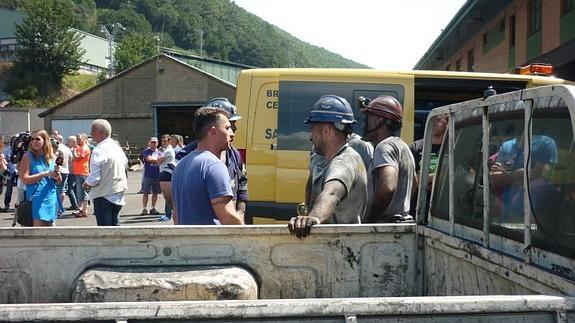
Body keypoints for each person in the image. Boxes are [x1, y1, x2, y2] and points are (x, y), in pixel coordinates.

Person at [289, 95, 368, 238]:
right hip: (329, 245)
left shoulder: (344, 161)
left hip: (343, 246)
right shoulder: (320, 158)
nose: (310, 137)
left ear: (326, 131)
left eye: (312, 129)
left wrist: (312, 218)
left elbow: (332, 193)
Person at [172, 107, 244, 225]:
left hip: (187, 242)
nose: (231, 133)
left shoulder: (180, 165)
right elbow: (228, 218)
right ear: (214, 131)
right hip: (213, 243)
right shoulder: (214, 166)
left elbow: (176, 217)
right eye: (227, 128)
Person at [361, 95, 416, 223]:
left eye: (368, 118)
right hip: (400, 223)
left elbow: (388, 187)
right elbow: (415, 182)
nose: (364, 123)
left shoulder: (384, 146)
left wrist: (370, 220)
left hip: (384, 226)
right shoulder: (403, 146)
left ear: (379, 120)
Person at [205, 97, 248, 222]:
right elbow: (167, 180)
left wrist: (240, 212)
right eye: (229, 125)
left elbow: (243, 184)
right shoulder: (191, 155)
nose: (234, 130)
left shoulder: (234, 154)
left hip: (230, 224)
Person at [83, 119, 128, 226]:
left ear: (100, 132)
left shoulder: (99, 150)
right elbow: (125, 163)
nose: (91, 134)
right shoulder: (116, 147)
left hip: (104, 195)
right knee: (115, 228)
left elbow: (95, 178)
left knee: (105, 231)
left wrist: (87, 183)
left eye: (93, 131)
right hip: (118, 193)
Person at [19, 129, 62, 226]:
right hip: (36, 199)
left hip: (50, 197)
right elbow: (25, 179)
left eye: (37, 139)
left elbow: (58, 182)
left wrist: (57, 176)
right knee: (37, 234)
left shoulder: (51, 157)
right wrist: (44, 174)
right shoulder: (28, 156)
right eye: (32, 139)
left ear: (45, 140)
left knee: (50, 234)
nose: (34, 141)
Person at [409, 113, 448, 215]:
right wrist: (436, 177)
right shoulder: (416, 147)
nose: (434, 122)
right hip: (417, 208)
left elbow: (452, 178)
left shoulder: (452, 147)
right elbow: (411, 179)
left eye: (438, 119)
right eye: (432, 120)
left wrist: (424, 180)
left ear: (447, 123)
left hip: (442, 209)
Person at [149, 134, 175, 222]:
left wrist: (155, 159)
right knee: (168, 195)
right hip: (165, 173)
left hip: (167, 174)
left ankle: (168, 215)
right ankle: (170, 214)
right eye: (162, 141)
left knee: (167, 195)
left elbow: (158, 161)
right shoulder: (165, 150)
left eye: (165, 141)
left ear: (169, 141)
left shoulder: (168, 151)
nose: (163, 142)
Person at [52, 134, 73, 216]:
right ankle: (60, 207)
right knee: (62, 190)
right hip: (65, 170)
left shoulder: (56, 148)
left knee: (57, 190)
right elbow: (71, 159)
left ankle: (57, 208)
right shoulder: (67, 148)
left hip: (58, 171)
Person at [141, 137, 161, 215]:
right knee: (145, 193)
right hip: (148, 175)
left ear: (157, 143)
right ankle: (144, 209)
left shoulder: (160, 152)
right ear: (149, 143)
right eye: (152, 142)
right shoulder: (146, 151)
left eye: (155, 142)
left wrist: (159, 159)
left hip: (157, 175)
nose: (153, 144)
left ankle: (153, 208)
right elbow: (149, 160)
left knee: (155, 193)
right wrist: (159, 160)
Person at [72, 134, 90, 217]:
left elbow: (77, 158)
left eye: (79, 139)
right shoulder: (79, 148)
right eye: (77, 139)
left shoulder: (84, 148)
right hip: (78, 172)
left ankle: (84, 210)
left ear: (84, 139)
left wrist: (74, 151)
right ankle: (80, 208)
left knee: (83, 192)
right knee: (79, 192)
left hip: (82, 172)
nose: (78, 141)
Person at [2, 136, 18, 212]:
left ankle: (20, 205)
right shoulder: (6, 150)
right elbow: (4, 161)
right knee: (9, 189)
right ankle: (6, 205)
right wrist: (6, 170)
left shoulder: (20, 150)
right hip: (10, 172)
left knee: (21, 189)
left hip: (19, 173)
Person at [65, 135, 79, 211]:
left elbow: (74, 159)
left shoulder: (75, 149)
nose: (66, 142)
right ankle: (75, 204)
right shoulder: (70, 149)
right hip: (71, 171)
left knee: (70, 189)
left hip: (73, 171)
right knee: (73, 188)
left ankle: (75, 205)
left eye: (68, 141)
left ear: (73, 142)